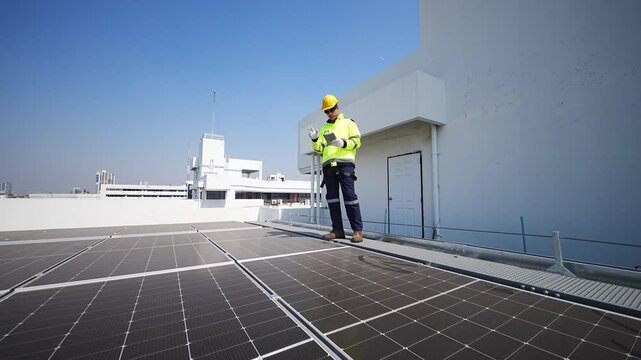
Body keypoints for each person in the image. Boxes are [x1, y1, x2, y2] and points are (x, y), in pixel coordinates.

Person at [308, 94, 364, 243]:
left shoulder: (348, 123)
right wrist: (314, 139)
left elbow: (357, 142)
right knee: (332, 199)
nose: (330, 112)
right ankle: (337, 230)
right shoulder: (324, 128)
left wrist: (344, 143)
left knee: (350, 198)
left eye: (332, 109)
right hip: (328, 167)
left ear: (337, 107)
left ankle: (357, 231)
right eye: (327, 111)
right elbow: (319, 149)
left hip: (345, 165)